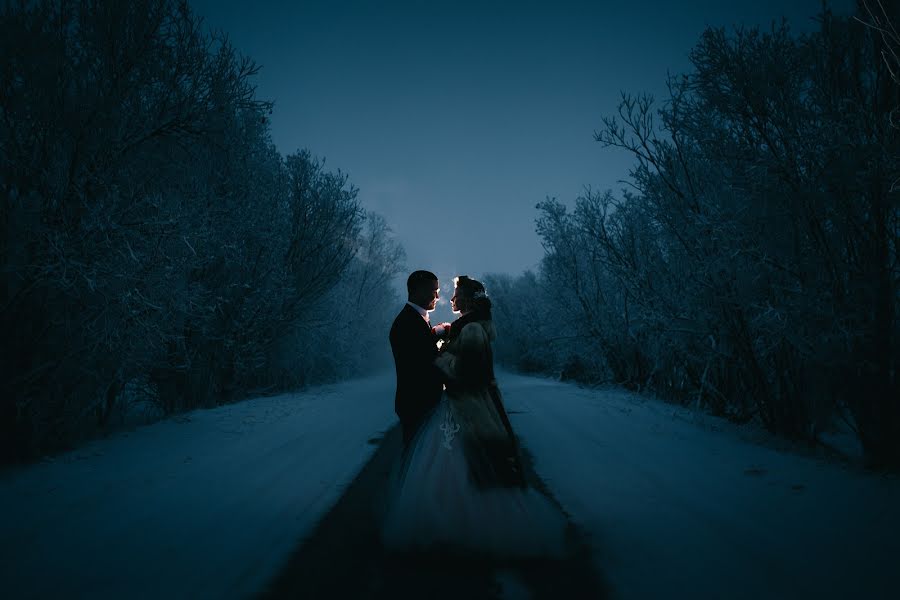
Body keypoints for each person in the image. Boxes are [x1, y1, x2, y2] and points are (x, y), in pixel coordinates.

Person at [382, 275, 567, 558]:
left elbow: (465, 372)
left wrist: (439, 357)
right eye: (438, 291)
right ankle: (454, 522)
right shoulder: (462, 327)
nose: (447, 298)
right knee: (459, 469)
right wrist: (442, 337)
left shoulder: (471, 332)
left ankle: (463, 526)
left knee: (464, 468)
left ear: (467, 299)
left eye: (454, 293)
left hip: (467, 406)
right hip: (441, 404)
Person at [389, 270, 447, 445]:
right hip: (417, 405)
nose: (437, 296)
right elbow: (423, 365)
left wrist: (437, 334)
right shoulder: (407, 323)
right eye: (433, 290)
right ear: (418, 291)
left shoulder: (415, 318)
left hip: (420, 403)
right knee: (416, 461)